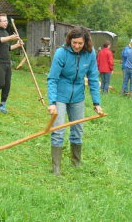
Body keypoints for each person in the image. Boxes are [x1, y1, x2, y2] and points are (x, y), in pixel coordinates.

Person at [47, 27, 103, 175]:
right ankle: (56, 168)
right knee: (58, 130)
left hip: (78, 97)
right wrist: (52, 102)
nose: (77, 46)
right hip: (60, 96)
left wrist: (96, 103)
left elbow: (92, 78)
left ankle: (76, 162)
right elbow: (52, 79)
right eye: (74, 42)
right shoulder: (61, 53)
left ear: (85, 42)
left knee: (78, 130)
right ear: (69, 41)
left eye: (80, 43)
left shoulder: (90, 54)